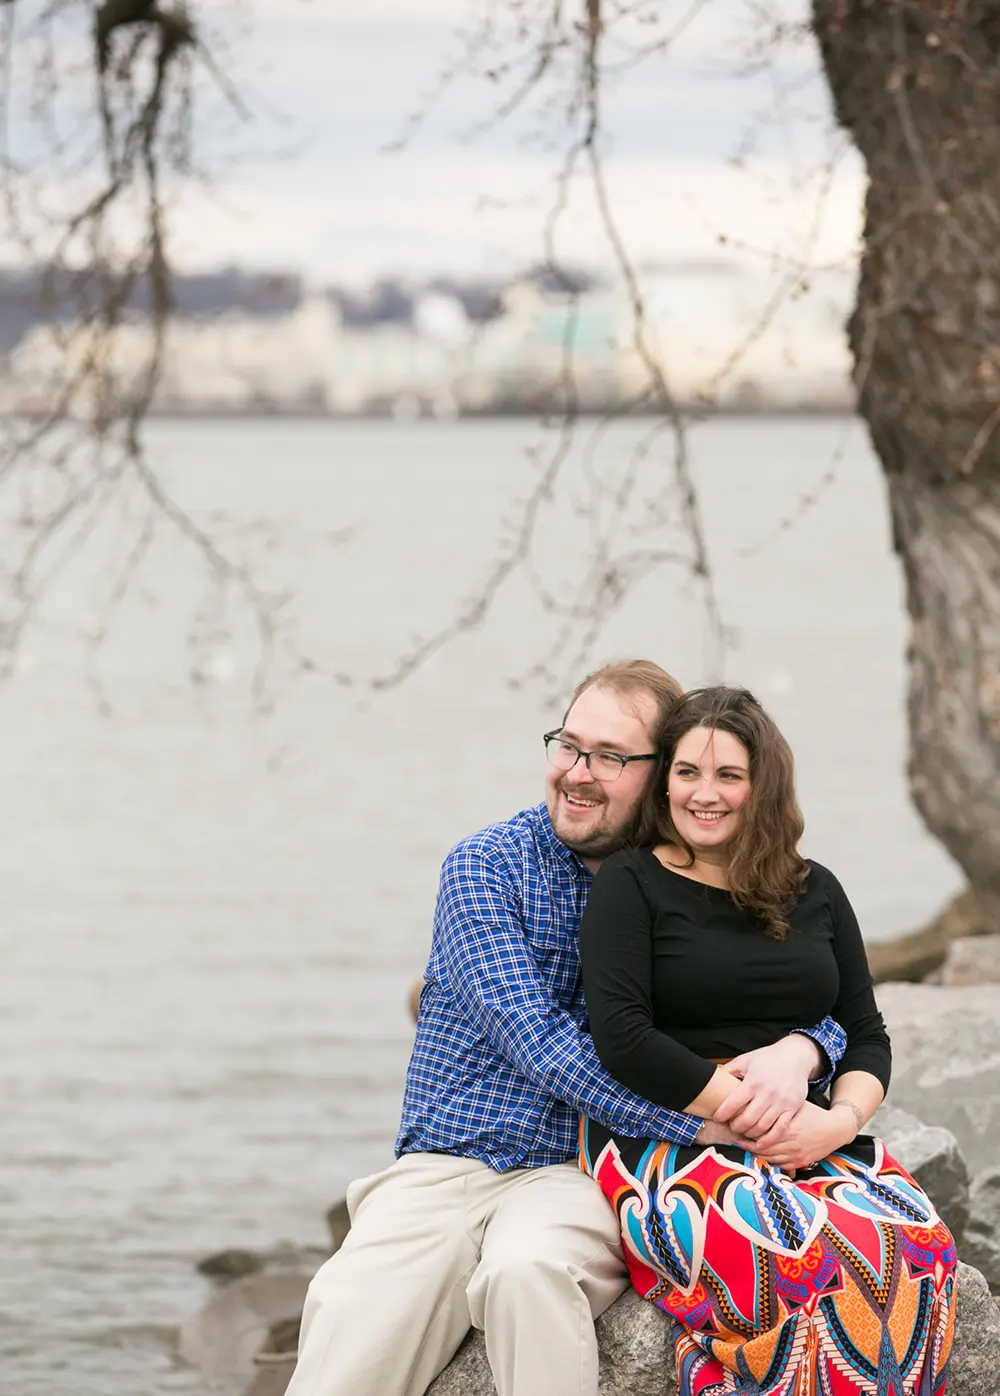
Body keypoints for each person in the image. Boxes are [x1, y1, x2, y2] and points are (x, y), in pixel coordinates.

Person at [286, 661, 849, 1396]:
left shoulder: (688, 882)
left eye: (611, 757)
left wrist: (804, 1048)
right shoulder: (487, 866)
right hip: (446, 1167)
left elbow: (804, 991)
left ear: (661, 775)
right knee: (347, 1332)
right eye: (569, 745)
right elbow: (542, 1046)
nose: (578, 773)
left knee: (530, 1274)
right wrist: (715, 1123)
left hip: (581, 1170)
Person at [578, 685, 958, 1395]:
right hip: (670, 1134)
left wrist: (835, 1124)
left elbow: (867, 1035)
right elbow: (622, 1037)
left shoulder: (815, 889)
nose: (704, 794)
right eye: (688, 772)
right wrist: (751, 1111)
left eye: (729, 775)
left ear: (763, 785)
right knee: (793, 1263)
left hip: (808, 1131)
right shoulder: (632, 883)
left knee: (921, 1253)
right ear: (665, 782)